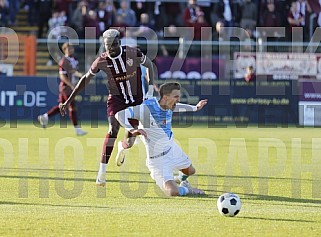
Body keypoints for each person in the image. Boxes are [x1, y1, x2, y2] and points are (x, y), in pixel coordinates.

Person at [59, 29, 156, 186]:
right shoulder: (101, 60)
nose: (111, 48)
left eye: (114, 44)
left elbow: (150, 65)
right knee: (113, 129)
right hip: (116, 100)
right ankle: (101, 173)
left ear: (119, 42)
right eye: (107, 45)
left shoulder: (132, 52)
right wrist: (69, 100)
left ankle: (122, 148)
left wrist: (150, 91)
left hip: (136, 100)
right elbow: (85, 79)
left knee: (130, 141)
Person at [115, 82, 207, 196]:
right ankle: (188, 190)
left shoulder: (169, 105)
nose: (178, 100)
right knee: (173, 192)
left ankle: (180, 180)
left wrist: (196, 108)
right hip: (158, 160)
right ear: (166, 97)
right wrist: (132, 129)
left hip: (172, 150)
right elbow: (119, 115)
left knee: (191, 171)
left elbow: (178, 107)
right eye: (176, 96)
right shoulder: (146, 108)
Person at [38, 43, 87, 136]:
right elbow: (62, 76)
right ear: (64, 50)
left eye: (71, 48)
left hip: (70, 87)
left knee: (61, 106)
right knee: (72, 107)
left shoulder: (74, 59)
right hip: (66, 88)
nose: (70, 50)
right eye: (68, 48)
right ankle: (77, 129)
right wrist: (71, 85)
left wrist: (79, 75)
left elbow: (73, 71)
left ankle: (45, 117)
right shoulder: (63, 61)